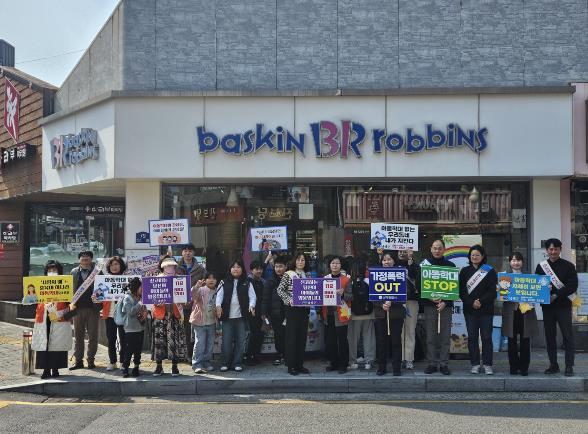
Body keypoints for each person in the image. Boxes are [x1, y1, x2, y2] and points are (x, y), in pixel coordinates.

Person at [535, 238, 578, 376]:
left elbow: (572, 286)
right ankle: (553, 365)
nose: (553, 252)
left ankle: (569, 366)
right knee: (550, 337)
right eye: (550, 249)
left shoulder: (569, 266)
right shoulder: (541, 267)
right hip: (547, 307)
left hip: (563, 306)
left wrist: (556, 295)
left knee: (567, 336)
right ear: (547, 250)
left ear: (560, 249)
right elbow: (536, 285)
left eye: (556, 249)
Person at [417, 239, 456, 375]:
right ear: (431, 249)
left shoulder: (450, 265)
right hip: (430, 305)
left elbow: (454, 288)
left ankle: (444, 364)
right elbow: (419, 285)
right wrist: (429, 297)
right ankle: (432, 363)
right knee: (431, 336)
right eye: (434, 248)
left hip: (446, 306)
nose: (437, 250)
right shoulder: (424, 265)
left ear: (444, 249)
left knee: (445, 336)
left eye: (439, 248)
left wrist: (445, 301)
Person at [32, 260, 74, 379]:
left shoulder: (66, 284)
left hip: (59, 319)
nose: (52, 272)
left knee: (57, 345)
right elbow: (33, 298)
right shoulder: (40, 285)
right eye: (49, 270)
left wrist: (61, 313)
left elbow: (73, 307)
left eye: (54, 270)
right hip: (44, 319)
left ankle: (55, 369)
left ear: (59, 271)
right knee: (44, 344)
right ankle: (46, 370)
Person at [459, 244, 497, 375]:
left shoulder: (489, 271)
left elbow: (493, 291)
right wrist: (471, 302)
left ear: (482, 256)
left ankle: (487, 364)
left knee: (486, 337)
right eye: (472, 255)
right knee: (472, 337)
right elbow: (461, 291)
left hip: (486, 310)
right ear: (469, 256)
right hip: (470, 310)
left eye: (477, 255)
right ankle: (475, 364)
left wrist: (480, 301)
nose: (474, 257)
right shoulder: (464, 271)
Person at [215, 259, 256, 372]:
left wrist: (251, 306)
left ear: (242, 269)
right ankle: (225, 363)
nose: (236, 269)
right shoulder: (223, 282)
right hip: (227, 317)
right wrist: (218, 306)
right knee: (226, 341)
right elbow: (219, 296)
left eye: (238, 267)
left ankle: (237, 362)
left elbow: (253, 297)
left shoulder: (247, 282)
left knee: (240, 341)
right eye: (233, 267)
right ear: (230, 269)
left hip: (241, 317)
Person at [501, 252, 538, 376]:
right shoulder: (504, 276)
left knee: (525, 340)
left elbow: (536, 293)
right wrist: (499, 289)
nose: (516, 263)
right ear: (510, 262)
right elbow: (502, 295)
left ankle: (524, 367)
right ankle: (513, 366)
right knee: (511, 341)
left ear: (522, 262)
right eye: (513, 260)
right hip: (511, 312)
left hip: (525, 312)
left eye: (518, 260)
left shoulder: (529, 276)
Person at [151, 255, 187, 377]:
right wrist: (156, 302)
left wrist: (184, 299)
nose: (169, 267)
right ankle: (159, 366)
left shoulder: (180, 280)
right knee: (159, 342)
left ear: (175, 267)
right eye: (167, 266)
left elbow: (185, 297)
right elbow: (150, 298)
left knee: (174, 341)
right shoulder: (156, 280)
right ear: (162, 267)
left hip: (175, 314)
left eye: (172, 265)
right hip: (160, 315)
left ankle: (174, 366)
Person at [277, 251, 311, 376]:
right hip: (292, 310)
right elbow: (280, 290)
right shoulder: (288, 274)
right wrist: (288, 300)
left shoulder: (307, 275)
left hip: (304, 309)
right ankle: (291, 366)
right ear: (294, 261)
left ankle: (299, 365)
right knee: (291, 338)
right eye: (298, 259)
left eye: (303, 260)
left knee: (302, 338)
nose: (301, 262)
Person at [373, 251, 405, 376]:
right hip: (381, 314)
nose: (387, 262)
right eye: (384, 260)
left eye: (389, 259)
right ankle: (382, 367)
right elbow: (372, 296)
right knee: (382, 342)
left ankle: (397, 368)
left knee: (396, 341)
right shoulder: (376, 274)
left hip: (396, 314)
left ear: (394, 261)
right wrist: (382, 304)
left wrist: (392, 301)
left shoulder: (400, 273)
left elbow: (405, 294)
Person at [70, 250, 99, 370]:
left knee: (93, 336)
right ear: (79, 260)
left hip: (93, 308)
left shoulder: (97, 272)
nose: (85, 258)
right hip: (77, 309)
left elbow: (103, 288)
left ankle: (91, 360)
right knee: (78, 336)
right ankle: (78, 361)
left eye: (87, 257)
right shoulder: (73, 272)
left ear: (91, 259)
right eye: (82, 257)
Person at [344, 258, 376, 370]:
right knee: (369, 338)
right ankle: (369, 361)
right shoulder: (370, 280)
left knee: (352, 339)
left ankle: (352, 361)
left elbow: (348, 297)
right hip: (369, 313)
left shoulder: (349, 281)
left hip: (354, 314)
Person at [177, 244, 206, 360]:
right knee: (182, 331)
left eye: (190, 251)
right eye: (185, 251)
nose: (187, 253)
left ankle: (192, 355)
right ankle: (182, 355)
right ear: (182, 253)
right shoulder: (176, 267)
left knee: (193, 331)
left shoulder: (200, 269)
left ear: (194, 253)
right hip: (179, 306)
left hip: (195, 305)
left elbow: (204, 284)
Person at [322, 256, 351, 373]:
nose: (335, 265)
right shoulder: (324, 279)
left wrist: (343, 294)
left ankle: (343, 364)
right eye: (333, 263)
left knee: (342, 340)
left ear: (341, 265)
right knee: (331, 341)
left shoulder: (346, 279)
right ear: (329, 265)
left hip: (341, 313)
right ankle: (333, 363)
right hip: (328, 313)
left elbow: (351, 296)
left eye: (337, 263)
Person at [98, 256, 127, 371]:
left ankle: (123, 361)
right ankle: (112, 361)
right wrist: (96, 297)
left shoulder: (127, 279)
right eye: (112, 265)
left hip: (124, 314)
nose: (114, 267)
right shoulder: (104, 280)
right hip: (109, 313)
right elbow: (99, 296)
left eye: (116, 264)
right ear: (109, 267)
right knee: (111, 339)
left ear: (121, 266)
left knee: (124, 339)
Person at [261, 255, 287, 365]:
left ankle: (288, 355)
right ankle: (279, 355)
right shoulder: (270, 281)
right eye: (276, 266)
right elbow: (265, 298)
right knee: (278, 334)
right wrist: (264, 313)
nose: (278, 269)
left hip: (289, 313)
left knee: (288, 334)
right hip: (275, 313)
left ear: (286, 267)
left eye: (281, 266)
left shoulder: (290, 279)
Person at [190, 272, 218, 373]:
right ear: (205, 280)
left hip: (212, 321)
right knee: (200, 343)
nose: (211, 280)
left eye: (213, 278)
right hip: (199, 321)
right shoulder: (201, 289)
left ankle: (206, 362)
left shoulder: (218, 291)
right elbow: (192, 296)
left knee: (209, 344)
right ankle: (197, 364)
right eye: (209, 278)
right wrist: (196, 287)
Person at [398, 249, 419, 371]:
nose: (402, 253)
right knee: (399, 332)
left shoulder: (415, 266)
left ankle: (409, 359)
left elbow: (415, 277)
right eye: (400, 251)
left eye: (405, 251)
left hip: (411, 301)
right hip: (397, 302)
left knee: (410, 331)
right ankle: (400, 358)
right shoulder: (393, 265)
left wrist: (411, 262)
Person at [121, 277, 147, 378]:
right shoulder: (127, 298)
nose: (142, 289)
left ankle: (136, 367)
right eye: (141, 287)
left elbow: (144, 309)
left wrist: (145, 313)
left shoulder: (141, 297)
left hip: (140, 327)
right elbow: (130, 312)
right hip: (130, 329)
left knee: (138, 349)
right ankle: (125, 367)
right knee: (129, 349)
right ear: (136, 287)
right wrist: (140, 303)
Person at [244, 260, 265, 366]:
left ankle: (256, 355)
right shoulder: (247, 282)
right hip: (250, 313)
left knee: (259, 334)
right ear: (251, 270)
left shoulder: (262, 282)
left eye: (261, 269)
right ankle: (248, 356)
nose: (259, 271)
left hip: (260, 313)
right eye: (256, 269)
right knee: (252, 335)